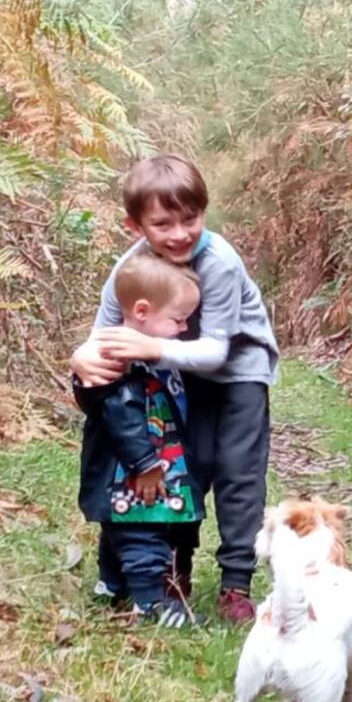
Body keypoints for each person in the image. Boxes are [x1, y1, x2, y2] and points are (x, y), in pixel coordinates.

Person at [71, 154, 279, 624]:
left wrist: (150, 348)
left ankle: (235, 582)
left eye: (191, 218)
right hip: (173, 375)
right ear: (135, 225)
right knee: (185, 465)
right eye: (163, 223)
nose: (180, 233)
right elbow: (102, 335)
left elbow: (216, 352)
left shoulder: (220, 262)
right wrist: (81, 358)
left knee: (237, 474)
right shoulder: (131, 267)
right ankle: (172, 566)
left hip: (237, 372)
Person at [73, 251, 203, 627]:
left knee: (124, 527)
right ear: (142, 311)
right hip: (130, 471)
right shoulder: (116, 359)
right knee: (143, 530)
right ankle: (150, 602)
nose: (183, 329)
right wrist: (145, 464)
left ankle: (111, 584)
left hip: (148, 464)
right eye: (177, 319)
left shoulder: (150, 354)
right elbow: (120, 416)